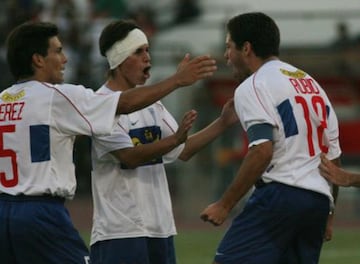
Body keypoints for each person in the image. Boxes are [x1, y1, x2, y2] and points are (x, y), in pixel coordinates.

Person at [0, 21, 216, 264]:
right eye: (58, 51)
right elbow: (122, 105)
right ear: (38, 60)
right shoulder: (57, 96)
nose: (66, 59)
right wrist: (176, 80)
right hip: (42, 212)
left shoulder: (2, 100)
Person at [89, 20, 238, 264]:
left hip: (160, 229)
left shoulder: (152, 105)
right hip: (120, 233)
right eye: (138, 51)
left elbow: (183, 149)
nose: (147, 57)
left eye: (148, 50)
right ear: (118, 59)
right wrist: (177, 83)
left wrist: (222, 122)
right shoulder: (99, 104)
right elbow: (129, 156)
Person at [200, 12, 341, 264]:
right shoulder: (312, 85)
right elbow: (335, 160)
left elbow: (262, 151)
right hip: (318, 202)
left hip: (281, 196)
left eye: (228, 47)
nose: (226, 56)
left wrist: (225, 204)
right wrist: (329, 212)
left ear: (246, 48)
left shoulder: (253, 85)